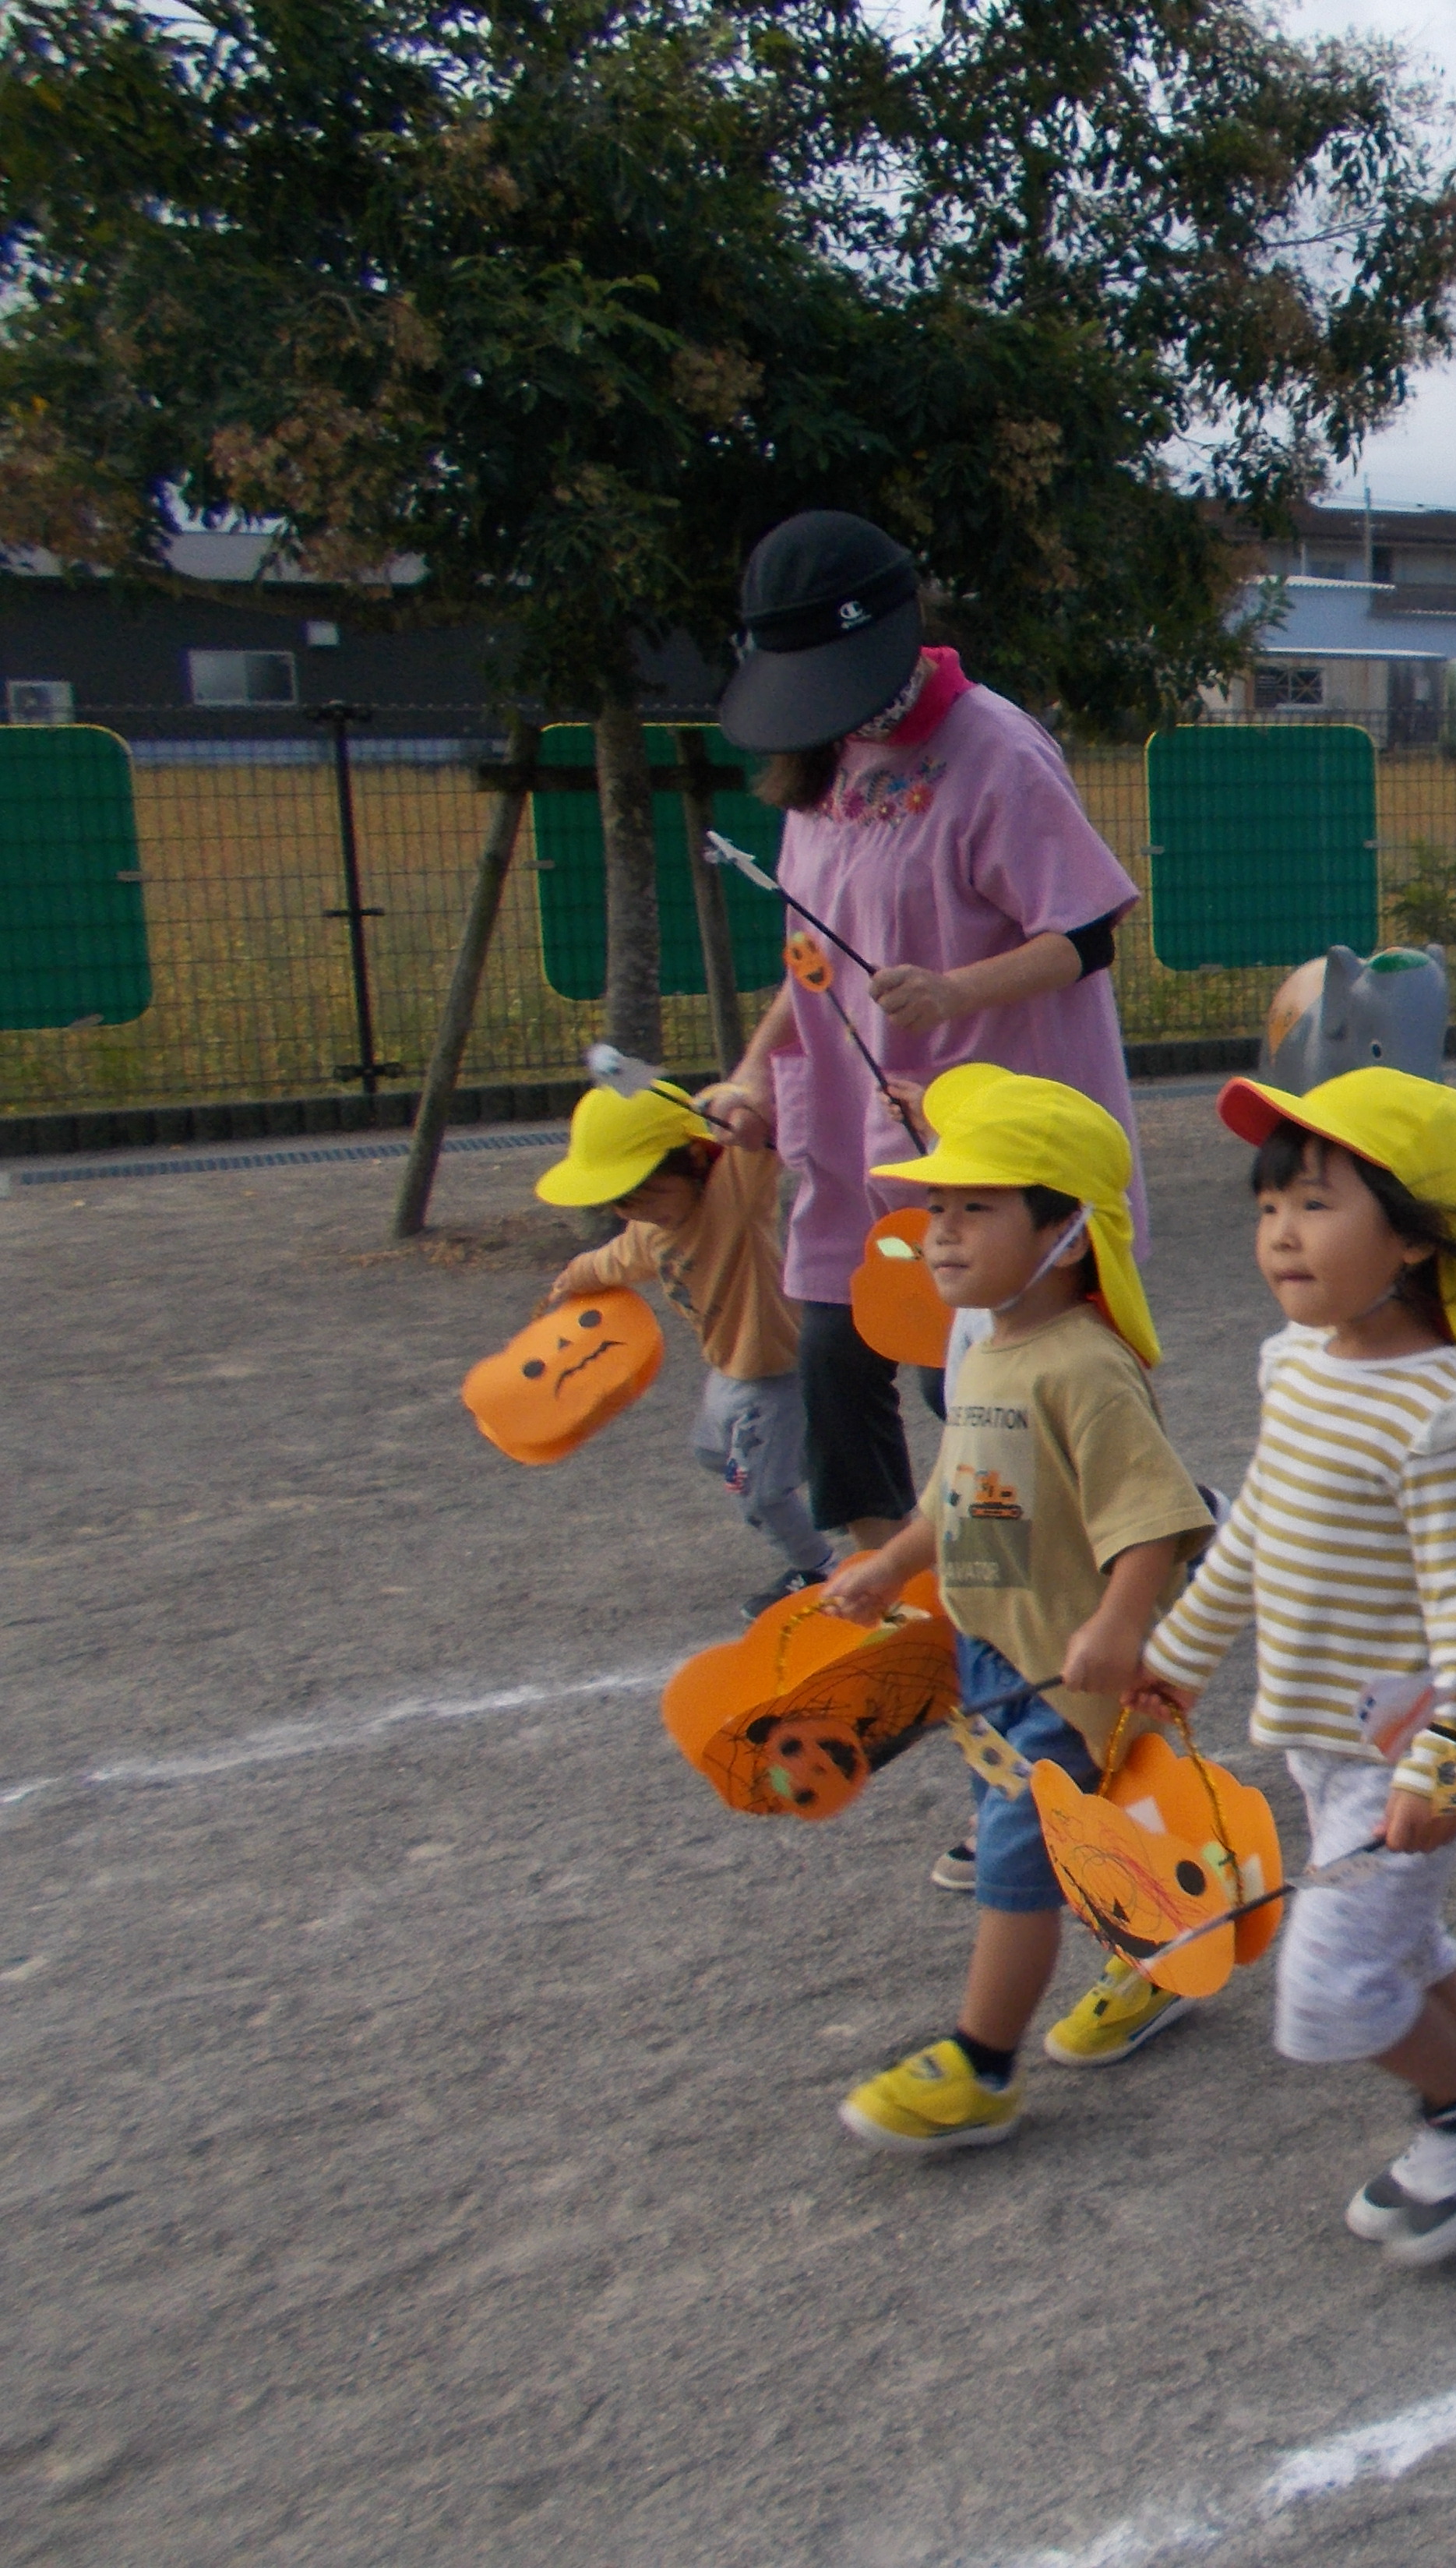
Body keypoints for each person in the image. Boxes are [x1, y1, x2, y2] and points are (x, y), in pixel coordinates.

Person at [705, 511, 1149, 1892]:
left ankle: (1046, 1751)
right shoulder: (821, 773)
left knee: (1007, 1452)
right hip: (857, 1149)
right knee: (838, 1378)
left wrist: (957, 991)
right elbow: (812, 963)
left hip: (984, 1155)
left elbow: (1087, 930)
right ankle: (917, 1638)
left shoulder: (994, 752)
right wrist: (752, 1074)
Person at [1140, 1068, 1456, 2265]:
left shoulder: (1439, 1411)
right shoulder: (1301, 1364)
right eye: (1271, 1206)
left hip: (1404, 1761)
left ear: (1414, 1239)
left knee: (1328, 1986)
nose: (1280, 1233)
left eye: (1316, 1205)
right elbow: (1253, 1531)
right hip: (1321, 1746)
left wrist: (1442, 1764)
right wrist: (1176, 1655)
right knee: (1400, 1950)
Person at [814, 1067, 1215, 2154]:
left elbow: (1156, 1517)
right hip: (998, 1658)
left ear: (1068, 1233)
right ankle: (1165, 1953)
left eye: (976, 1208)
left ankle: (981, 2066)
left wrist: (1118, 1625)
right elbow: (955, 1496)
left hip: (1066, 1674)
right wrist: (891, 1565)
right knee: (1092, 1836)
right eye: (937, 1206)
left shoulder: (1085, 1369)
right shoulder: (989, 1351)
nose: (940, 1232)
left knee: (1016, 1860)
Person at [530, 1072, 831, 1618]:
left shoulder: (731, 1201)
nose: (638, 1212)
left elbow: (755, 1126)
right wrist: (574, 1277)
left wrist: (719, 1107)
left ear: (693, 1160)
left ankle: (816, 1570)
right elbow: (614, 1260)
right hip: (728, 1371)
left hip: (777, 1374)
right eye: (623, 1204)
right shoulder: (650, 1231)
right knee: (711, 1452)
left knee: (758, 1493)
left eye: (649, 1195)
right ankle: (826, 1464)